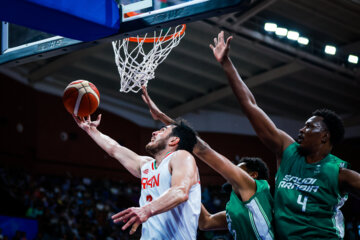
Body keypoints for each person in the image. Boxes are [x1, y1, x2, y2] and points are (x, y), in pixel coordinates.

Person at [210, 31, 360, 239]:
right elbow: (251, 106)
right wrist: (226, 64)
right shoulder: (287, 152)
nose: (301, 130)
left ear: (324, 136)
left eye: (309, 127)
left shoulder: (340, 173)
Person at [141, 86, 274, 240]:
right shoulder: (235, 211)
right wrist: (187, 185)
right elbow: (205, 222)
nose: (231, 173)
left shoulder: (255, 188)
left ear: (253, 175)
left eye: (239, 169)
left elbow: (203, 149)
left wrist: (163, 117)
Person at [73, 114, 201, 239]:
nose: (154, 133)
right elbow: (115, 149)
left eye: (162, 130)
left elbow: (180, 192)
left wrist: (146, 210)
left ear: (174, 140)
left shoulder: (182, 156)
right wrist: (91, 130)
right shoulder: (146, 165)